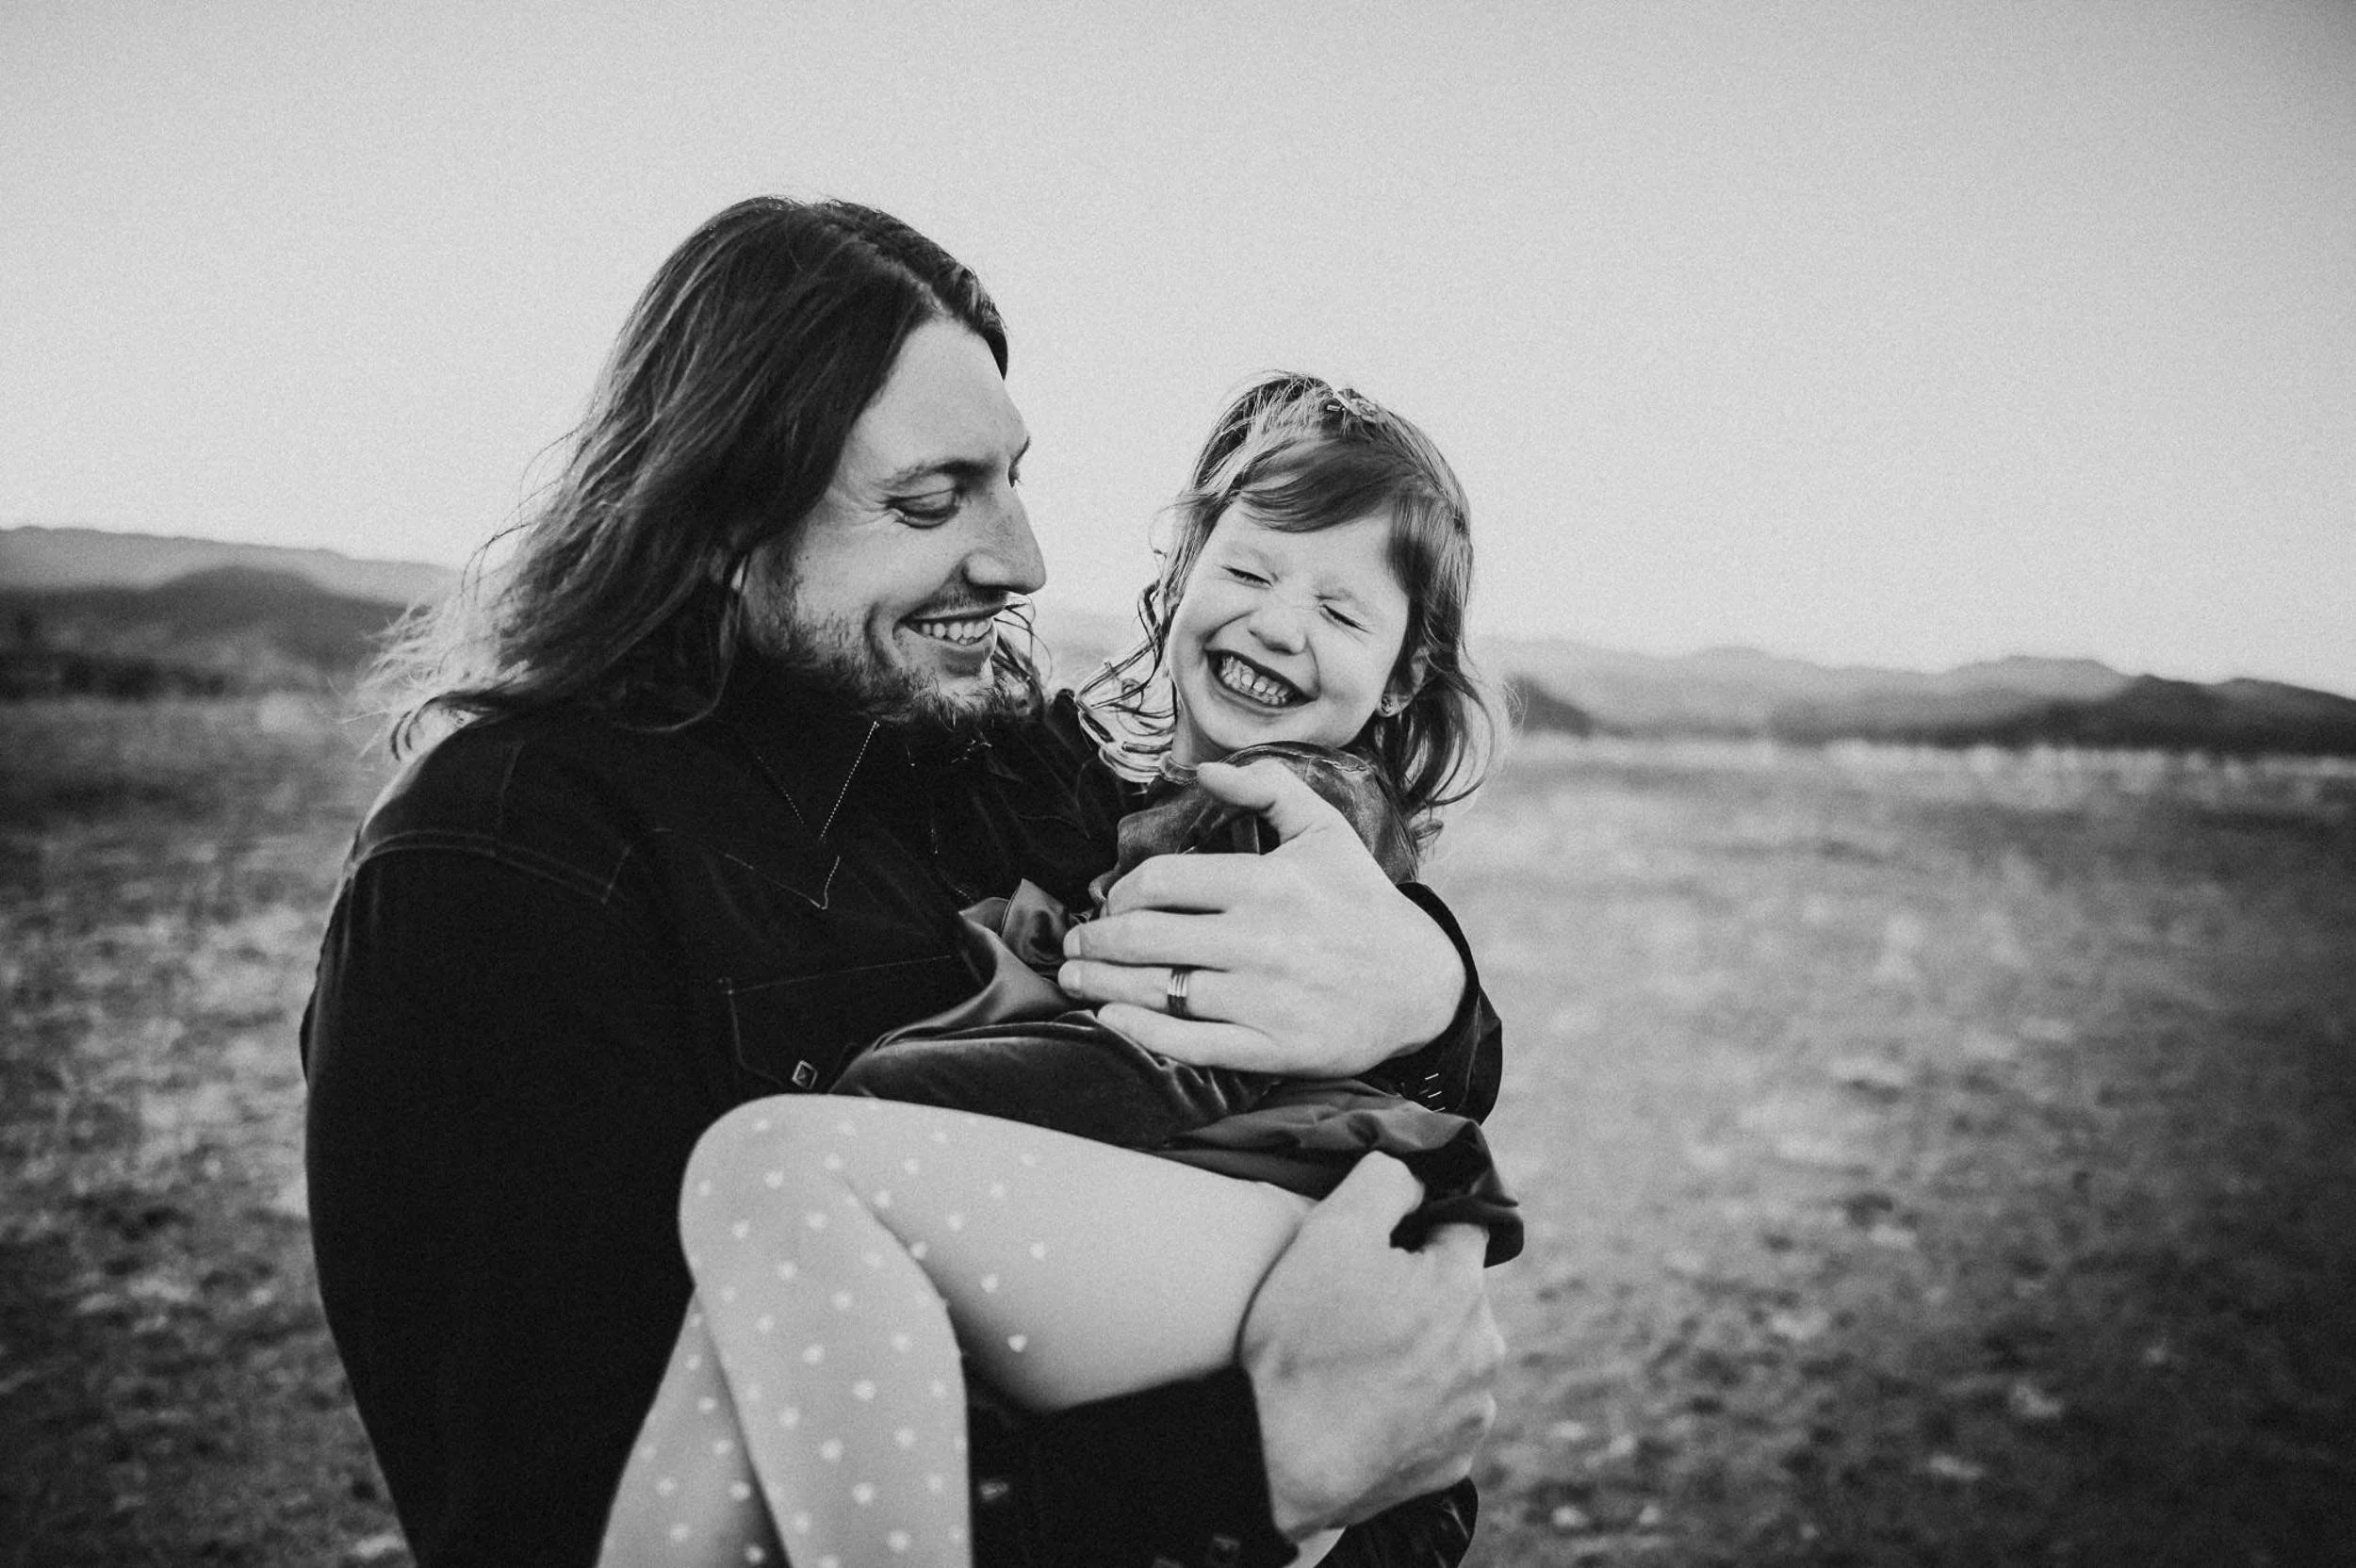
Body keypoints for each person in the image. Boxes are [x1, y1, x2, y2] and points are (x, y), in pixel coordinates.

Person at [302, 198, 1504, 1568]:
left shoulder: (983, 768)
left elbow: (1375, 1305)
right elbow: (560, 1522)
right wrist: (1255, 1471)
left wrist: (1429, 990)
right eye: (931, 500)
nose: (1025, 560)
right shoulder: (504, 868)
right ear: (718, 512)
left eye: (1010, 481)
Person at [600, 373, 1519, 1567]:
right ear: (1184, 573)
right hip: (1136, 1271)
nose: (1281, 623)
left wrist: (900, 1101)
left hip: (1267, 1245)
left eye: (1342, 613)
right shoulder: (1062, 780)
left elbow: (1171, 1066)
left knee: (776, 1174)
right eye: (1246, 572)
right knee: (738, 1350)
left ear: (1400, 678)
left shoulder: (1296, 827)